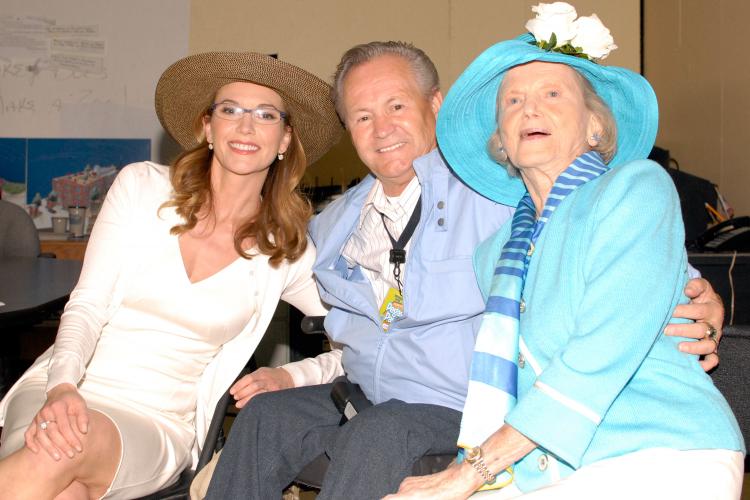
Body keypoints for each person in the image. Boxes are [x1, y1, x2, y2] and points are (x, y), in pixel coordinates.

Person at [205, 41, 726, 500]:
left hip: (479, 410)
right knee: (265, 418)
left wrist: (698, 298)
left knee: (382, 432)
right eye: (362, 116)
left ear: (435, 105)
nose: (381, 128)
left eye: (396, 106)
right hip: (382, 399)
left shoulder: (500, 198)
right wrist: (292, 373)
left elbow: (618, 281)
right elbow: (348, 337)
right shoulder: (343, 226)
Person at [386, 5, 744, 499]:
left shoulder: (636, 189)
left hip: (658, 450)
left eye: (552, 94)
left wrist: (470, 472)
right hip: (545, 465)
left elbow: (602, 349)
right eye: (512, 101)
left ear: (596, 127)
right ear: (503, 145)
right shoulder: (493, 253)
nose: (529, 109)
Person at [0, 51, 342, 499]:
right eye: (230, 110)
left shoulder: (287, 249)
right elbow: (87, 303)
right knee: (65, 485)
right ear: (207, 128)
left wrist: (292, 377)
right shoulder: (141, 187)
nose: (245, 126)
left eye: (265, 114)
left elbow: (364, 346)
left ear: (284, 139)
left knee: (58, 450)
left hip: (157, 421)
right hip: (66, 383)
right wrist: (63, 386)